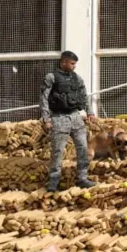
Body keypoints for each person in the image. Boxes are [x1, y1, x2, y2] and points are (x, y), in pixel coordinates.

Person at [40, 51, 97, 192]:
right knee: (58, 151)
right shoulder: (51, 77)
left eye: (75, 64)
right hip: (59, 118)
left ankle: (82, 178)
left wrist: (89, 112)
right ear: (63, 62)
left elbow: (84, 95)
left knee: (83, 149)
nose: (74, 66)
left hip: (76, 117)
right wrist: (46, 119)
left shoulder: (77, 78)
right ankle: (54, 182)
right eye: (72, 63)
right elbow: (44, 99)